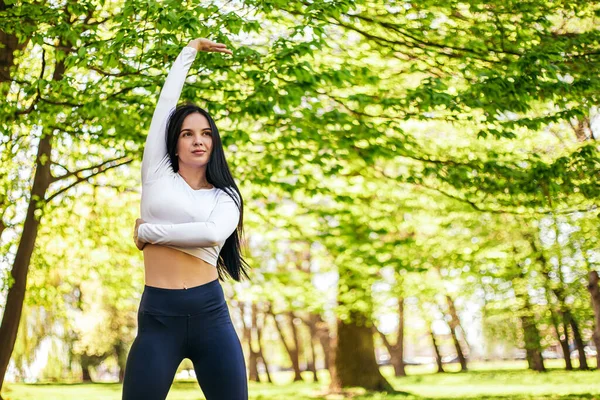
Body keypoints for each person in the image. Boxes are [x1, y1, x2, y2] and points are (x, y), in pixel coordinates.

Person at [122, 38, 250, 400]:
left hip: (210, 315)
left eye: (206, 134)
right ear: (174, 142)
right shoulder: (156, 174)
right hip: (158, 318)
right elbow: (165, 105)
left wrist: (148, 232)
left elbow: (210, 235)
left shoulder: (226, 196)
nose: (199, 141)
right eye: (188, 133)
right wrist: (189, 51)